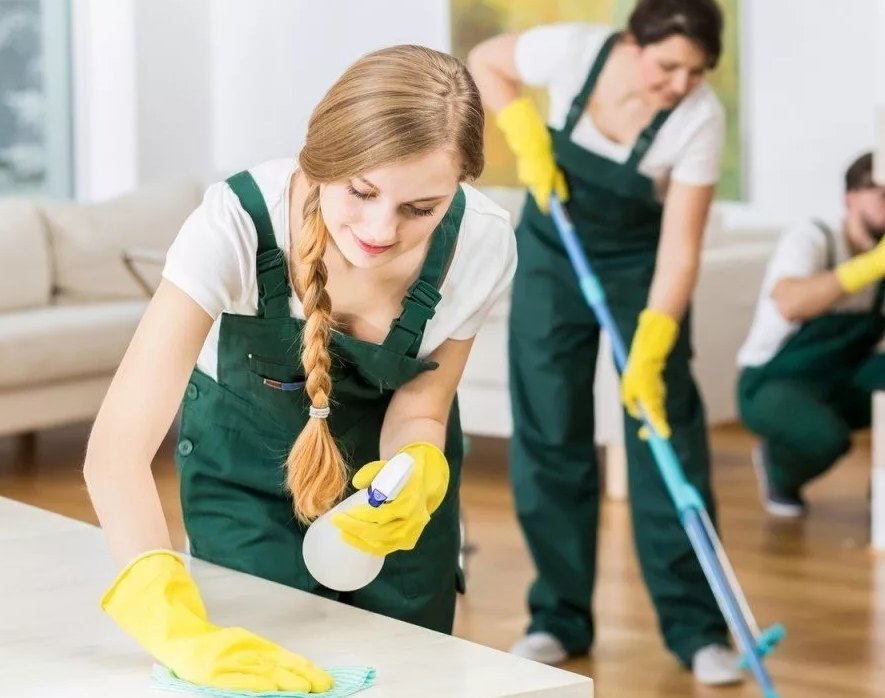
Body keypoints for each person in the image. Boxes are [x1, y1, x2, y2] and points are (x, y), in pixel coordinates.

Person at [82, 45, 517, 693]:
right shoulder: (234, 224)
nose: (378, 229)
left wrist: (415, 473)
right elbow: (116, 451)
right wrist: (168, 621)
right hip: (247, 477)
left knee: (408, 676)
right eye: (361, 191)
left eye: (419, 209)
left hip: (384, 503)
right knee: (265, 669)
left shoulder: (482, 242)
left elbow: (423, 404)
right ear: (321, 158)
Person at [468, 0, 742, 686]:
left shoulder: (699, 119)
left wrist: (651, 344)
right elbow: (487, 63)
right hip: (551, 253)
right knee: (550, 429)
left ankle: (697, 629)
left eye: (696, 71)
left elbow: (681, 250)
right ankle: (558, 617)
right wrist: (525, 131)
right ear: (632, 41)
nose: (679, 83)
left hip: (638, 269)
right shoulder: (575, 51)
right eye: (667, 64)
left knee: (662, 434)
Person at [735, 151, 885, 518]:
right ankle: (780, 469)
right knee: (826, 437)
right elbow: (790, 302)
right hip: (773, 383)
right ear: (850, 198)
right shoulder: (813, 239)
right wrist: (874, 264)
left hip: (846, 378)